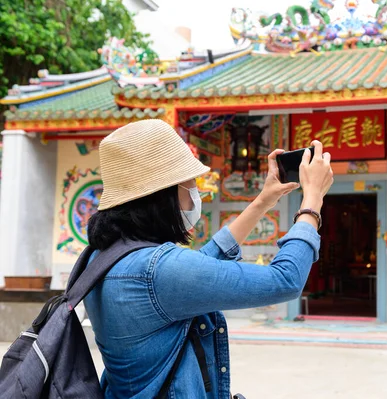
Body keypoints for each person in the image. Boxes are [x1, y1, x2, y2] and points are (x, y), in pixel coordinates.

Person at [84, 119, 334, 398]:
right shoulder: (157, 271)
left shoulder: (106, 257)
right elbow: (284, 280)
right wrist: (312, 202)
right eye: (190, 184)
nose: (196, 193)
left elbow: (197, 268)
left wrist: (263, 201)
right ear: (163, 195)